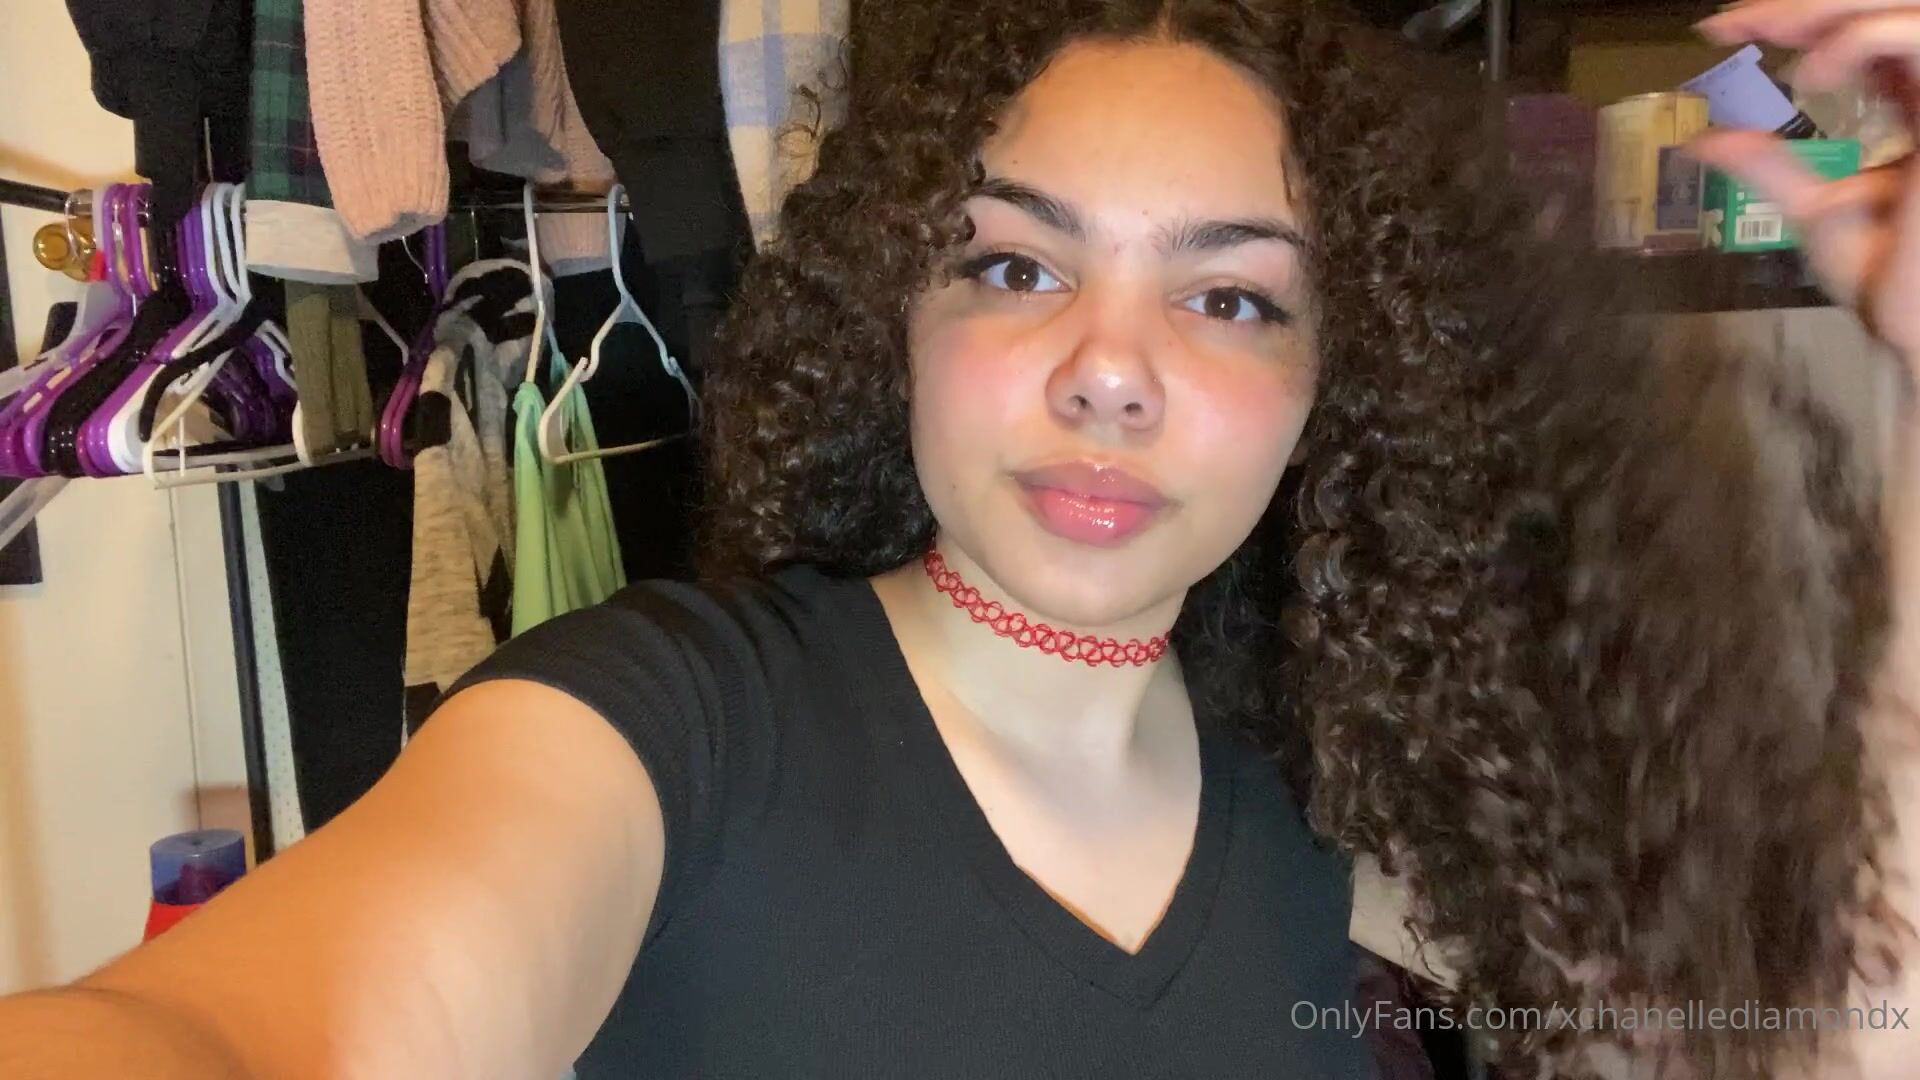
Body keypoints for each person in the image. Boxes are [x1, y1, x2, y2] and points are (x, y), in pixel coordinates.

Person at [4, 0, 1919, 1077]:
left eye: (1233, 299)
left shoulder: (1316, 814)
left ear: (1343, 387)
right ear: (894, 318)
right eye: (1014, 265)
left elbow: (1808, 1009)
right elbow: (248, 1034)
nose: (1110, 371)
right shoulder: (663, 735)